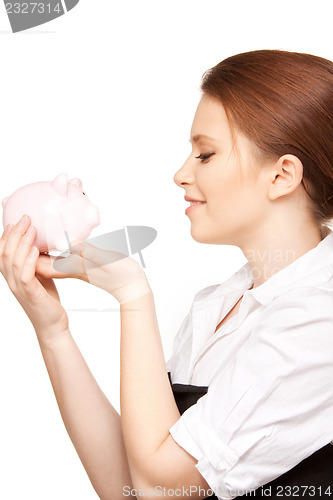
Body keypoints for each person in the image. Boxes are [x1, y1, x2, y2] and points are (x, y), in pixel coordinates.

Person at [1, 49, 333, 500]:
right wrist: (52, 329)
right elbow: (129, 488)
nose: (180, 174)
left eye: (206, 154)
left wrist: (134, 296)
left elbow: (162, 490)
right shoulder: (218, 305)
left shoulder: (317, 318)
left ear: (281, 176)